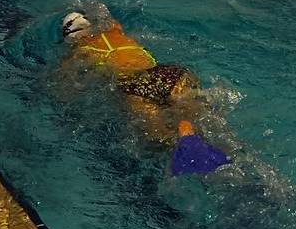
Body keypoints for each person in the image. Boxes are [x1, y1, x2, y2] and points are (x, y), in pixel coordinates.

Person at [61, 11, 211, 146]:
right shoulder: (115, 31)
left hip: (136, 85)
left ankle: (182, 146)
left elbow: (64, 86)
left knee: (159, 139)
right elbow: (107, 18)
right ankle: (188, 130)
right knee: (198, 118)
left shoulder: (80, 51)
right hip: (169, 73)